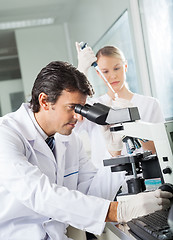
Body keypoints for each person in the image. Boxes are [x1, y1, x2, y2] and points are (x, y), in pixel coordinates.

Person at [0, 61, 171, 240]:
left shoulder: (69, 140)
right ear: (44, 101)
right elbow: (40, 195)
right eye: (72, 108)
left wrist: (115, 153)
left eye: (81, 108)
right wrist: (120, 211)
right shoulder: (6, 134)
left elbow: (92, 193)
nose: (78, 116)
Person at [75, 42, 165, 168]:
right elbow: (70, 127)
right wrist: (81, 72)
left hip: (146, 177)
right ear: (99, 74)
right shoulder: (92, 106)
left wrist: (135, 126)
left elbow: (160, 149)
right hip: (105, 180)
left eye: (117, 68)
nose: (112, 75)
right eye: (105, 71)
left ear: (125, 66)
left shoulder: (150, 104)